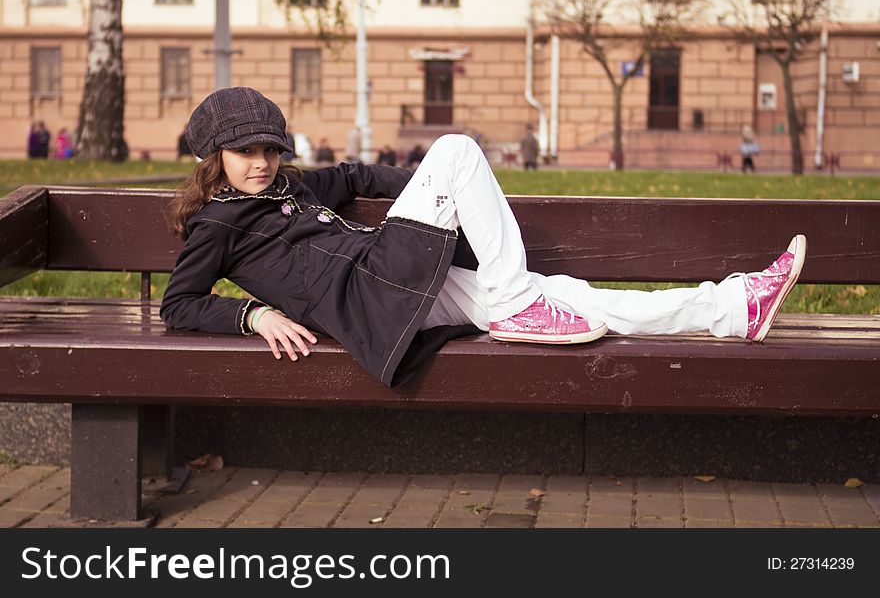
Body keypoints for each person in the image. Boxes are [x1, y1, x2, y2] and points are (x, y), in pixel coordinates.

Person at [161, 87, 807, 389]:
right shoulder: (218, 223)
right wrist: (253, 313)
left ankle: (733, 309)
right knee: (458, 149)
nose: (262, 162)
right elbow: (180, 304)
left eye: (270, 149)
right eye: (244, 152)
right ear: (213, 157)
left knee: (578, 300)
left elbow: (356, 173)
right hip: (370, 297)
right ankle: (520, 301)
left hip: (402, 289)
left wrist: (435, 193)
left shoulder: (290, 188)